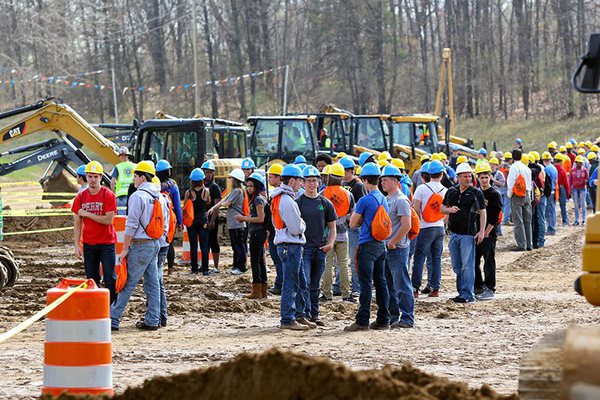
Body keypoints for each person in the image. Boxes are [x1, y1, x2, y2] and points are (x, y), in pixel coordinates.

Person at [110, 160, 163, 331]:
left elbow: (131, 225)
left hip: (140, 245)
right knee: (153, 284)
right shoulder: (159, 197)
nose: (133, 179)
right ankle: (153, 319)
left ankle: (112, 319)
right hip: (155, 244)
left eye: (135, 175)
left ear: (142, 176)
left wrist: (124, 248)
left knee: (127, 283)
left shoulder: (137, 197)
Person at [345, 162, 390, 331]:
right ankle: (383, 319)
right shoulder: (383, 198)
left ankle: (362, 320)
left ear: (364, 180)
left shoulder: (365, 200)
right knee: (381, 282)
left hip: (366, 244)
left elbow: (352, 223)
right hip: (381, 244)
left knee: (365, 283)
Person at [72, 161, 117, 304]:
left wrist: (87, 213)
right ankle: (96, 305)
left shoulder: (108, 194)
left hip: (107, 243)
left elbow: (108, 220)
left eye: (95, 177)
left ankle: (112, 307)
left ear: (101, 177)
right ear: (86, 176)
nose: (92, 180)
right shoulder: (80, 197)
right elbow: (77, 223)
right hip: (89, 243)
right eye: (90, 176)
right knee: (91, 278)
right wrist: (76, 245)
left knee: (110, 277)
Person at [297, 166, 337, 327]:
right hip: (305, 249)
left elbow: (332, 227)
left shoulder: (325, 203)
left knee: (315, 284)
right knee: (304, 282)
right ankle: (304, 313)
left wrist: (330, 244)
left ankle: (315, 314)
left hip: (320, 249)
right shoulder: (298, 203)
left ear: (319, 182)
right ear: (303, 183)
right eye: (309, 181)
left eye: (314, 181)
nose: (312, 184)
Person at [441, 162, 486, 303]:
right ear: (458, 178)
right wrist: (449, 210)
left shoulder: (475, 192)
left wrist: (481, 231)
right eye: (465, 176)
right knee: (457, 265)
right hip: (454, 233)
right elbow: (442, 208)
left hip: (468, 234)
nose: (468, 178)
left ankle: (467, 295)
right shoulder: (452, 191)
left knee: (467, 265)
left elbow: (483, 212)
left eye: (469, 176)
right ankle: (461, 292)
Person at [270, 164, 308, 331]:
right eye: (300, 180)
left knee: (299, 282)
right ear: (292, 180)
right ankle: (288, 318)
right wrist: (303, 225)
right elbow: (295, 228)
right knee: (291, 283)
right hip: (291, 245)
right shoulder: (287, 201)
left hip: (286, 244)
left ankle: (298, 315)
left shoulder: (278, 198)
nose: (301, 184)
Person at [380, 164, 414, 329]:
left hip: (398, 248)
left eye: (385, 179)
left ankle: (407, 318)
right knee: (390, 286)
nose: (382, 182)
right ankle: (394, 317)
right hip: (389, 248)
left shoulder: (401, 200)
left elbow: (406, 225)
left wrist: (393, 241)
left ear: (394, 180)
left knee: (401, 284)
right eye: (382, 180)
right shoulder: (388, 199)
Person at [411, 160, 447, 298]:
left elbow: (416, 209)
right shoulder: (446, 190)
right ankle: (435, 289)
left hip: (425, 228)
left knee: (419, 258)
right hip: (439, 227)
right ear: (442, 174)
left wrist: (418, 224)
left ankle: (415, 288)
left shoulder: (421, 189)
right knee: (436, 259)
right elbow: (446, 213)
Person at [321, 162, 354, 303]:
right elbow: (352, 215)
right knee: (343, 265)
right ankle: (346, 294)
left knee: (327, 264)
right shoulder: (348, 194)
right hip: (343, 234)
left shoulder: (322, 194)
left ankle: (327, 294)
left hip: (327, 235)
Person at [208, 169, 247, 275]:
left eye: (231, 178)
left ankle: (241, 267)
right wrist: (214, 208)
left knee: (239, 246)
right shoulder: (235, 191)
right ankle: (237, 265)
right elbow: (223, 200)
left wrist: (220, 205)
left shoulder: (237, 191)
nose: (230, 180)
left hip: (237, 223)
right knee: (236, 246)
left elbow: (227, 203)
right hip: (233, 224)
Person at [143, 176, 171, 328]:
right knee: (157, 282)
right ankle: (161, 316)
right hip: (163, 243)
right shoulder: (163, 198)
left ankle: (156, 317)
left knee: (153, 282)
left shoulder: (155, 199)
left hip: (157, 244)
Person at [235, 172, 268, 299]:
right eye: (247, 186)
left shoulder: (258, 199)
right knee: (260, 261)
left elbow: (260, 218)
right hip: (258, 232)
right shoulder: (258, 199)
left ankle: (256, 290)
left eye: (251, 186)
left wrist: (244, 218)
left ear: (257, 187)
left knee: (255, 261)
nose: (248, 188)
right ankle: (262, 290)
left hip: (257, 232)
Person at [473, 162, 502, 300]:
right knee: (474, 260)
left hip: (489, 234)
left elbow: (495, 217)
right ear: (477, 178)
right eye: (482, 177)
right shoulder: (476, 192)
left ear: (490, 177)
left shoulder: (494, 194)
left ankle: (490, 287)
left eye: (486, 177)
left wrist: (486, 232)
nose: (484, 180)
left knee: (488, 260)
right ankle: (478, 285)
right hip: (477, 232)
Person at [342, 156, 366, 297]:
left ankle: (356, 287)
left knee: (354, 259)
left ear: (350, 171)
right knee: (342, 260)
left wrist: (351, 218)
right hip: (344, 226)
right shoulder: (341, 184)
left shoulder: (358, 186)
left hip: (354, 228)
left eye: (343, 171)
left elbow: (359, 209)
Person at [156, 160, 183, 276]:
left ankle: (157, 268)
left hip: (156, 216)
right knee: (169, 243)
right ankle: (170, 270)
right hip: (170, 217)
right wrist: (180, 222)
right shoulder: (173, 185)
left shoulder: (154, 184)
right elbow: (177, 205)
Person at [184, 168, 211, 275]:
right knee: (204, 245)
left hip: (192, 222)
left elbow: (185, 206)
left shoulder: (189, 192)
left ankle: (194, 268)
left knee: (193, 245)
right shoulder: (206, 191)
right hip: (203, 221)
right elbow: (208, 202)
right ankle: (205, 269)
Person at [507, 150, 533, 251]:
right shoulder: (526, 168)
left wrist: (510, 195)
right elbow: (529, 184)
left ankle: (522, 244)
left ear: (512, 157)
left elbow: (510, 183)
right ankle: (529, 244)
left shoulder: (513, 168)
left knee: (518, 221)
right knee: (527, 221)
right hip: (527, 194)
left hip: (517, 195)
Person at [266, 163, 285, 296]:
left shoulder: (282, 195)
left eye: (271, 177)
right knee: (276, 258)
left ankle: (281, 284)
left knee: (280, 260)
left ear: (279, 178)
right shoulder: (275, 194)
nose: (269, 180)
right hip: (274, 231)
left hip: (279, 232)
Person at [202, 160, 222, 273]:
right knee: (204, 242)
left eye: (210, 172)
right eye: (206, 172)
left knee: (213, 241)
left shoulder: (214, 187)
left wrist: (213, 220)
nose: (208, 175)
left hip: (211, 218)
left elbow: (217, 206)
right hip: (203, 217)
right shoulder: (201, 185)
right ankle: (204, 264)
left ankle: (216, 265)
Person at [110, 146, 135, 215]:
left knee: (122, 217)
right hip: (133, 194)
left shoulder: (118, 167)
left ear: (121, 156)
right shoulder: (135, 166)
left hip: (121, 195)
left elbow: (112, 182)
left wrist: (113, 194)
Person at [541, 152, 558, 236]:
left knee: (548, 211)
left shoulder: (546, 169)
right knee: (553, 210)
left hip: (548, 192)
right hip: (554, 190)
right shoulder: (554, 168)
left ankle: (551, 228)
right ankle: (552, 227)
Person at [570, 155, 589, 226]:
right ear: (576, 162)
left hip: (582, 188)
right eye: (578, 162)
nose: (580, 164)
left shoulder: (584, 170)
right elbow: (570, 180)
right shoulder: (572, 170)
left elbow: (587, 178)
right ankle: (576, 220)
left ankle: (584, 220)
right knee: (576, 205)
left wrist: (585, 181)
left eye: (581, 162)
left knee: (583, 204)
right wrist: (570, 190)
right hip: (575, 189)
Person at [488, 157, 505, 235]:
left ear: (496, 165)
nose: (492, 166)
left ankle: (499, 230)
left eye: (493, 164)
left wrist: (493, 180)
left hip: (497, 195)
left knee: (498, 213)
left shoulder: (499, 174)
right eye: (491, 164)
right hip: (489, 195)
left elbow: (502, 184)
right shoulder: (487, 173)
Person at [554, 153, 571, 226]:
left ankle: (553, 222)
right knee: (563, 206)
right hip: (562, 188)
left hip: (554, 188)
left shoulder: (552, 168)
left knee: (553, 206)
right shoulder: (562, 170)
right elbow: (566, 183)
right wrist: (568, 192)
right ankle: (565, 221)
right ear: (561, 161)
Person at [500, 152, 513, 226]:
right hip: (506, 186)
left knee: (502, 204)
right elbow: (508, 177)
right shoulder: (508, 166)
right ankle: (506, 220)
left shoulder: (501, 165)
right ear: (510, 159)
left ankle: (501, 218)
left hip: (501, 186)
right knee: (507, 204)